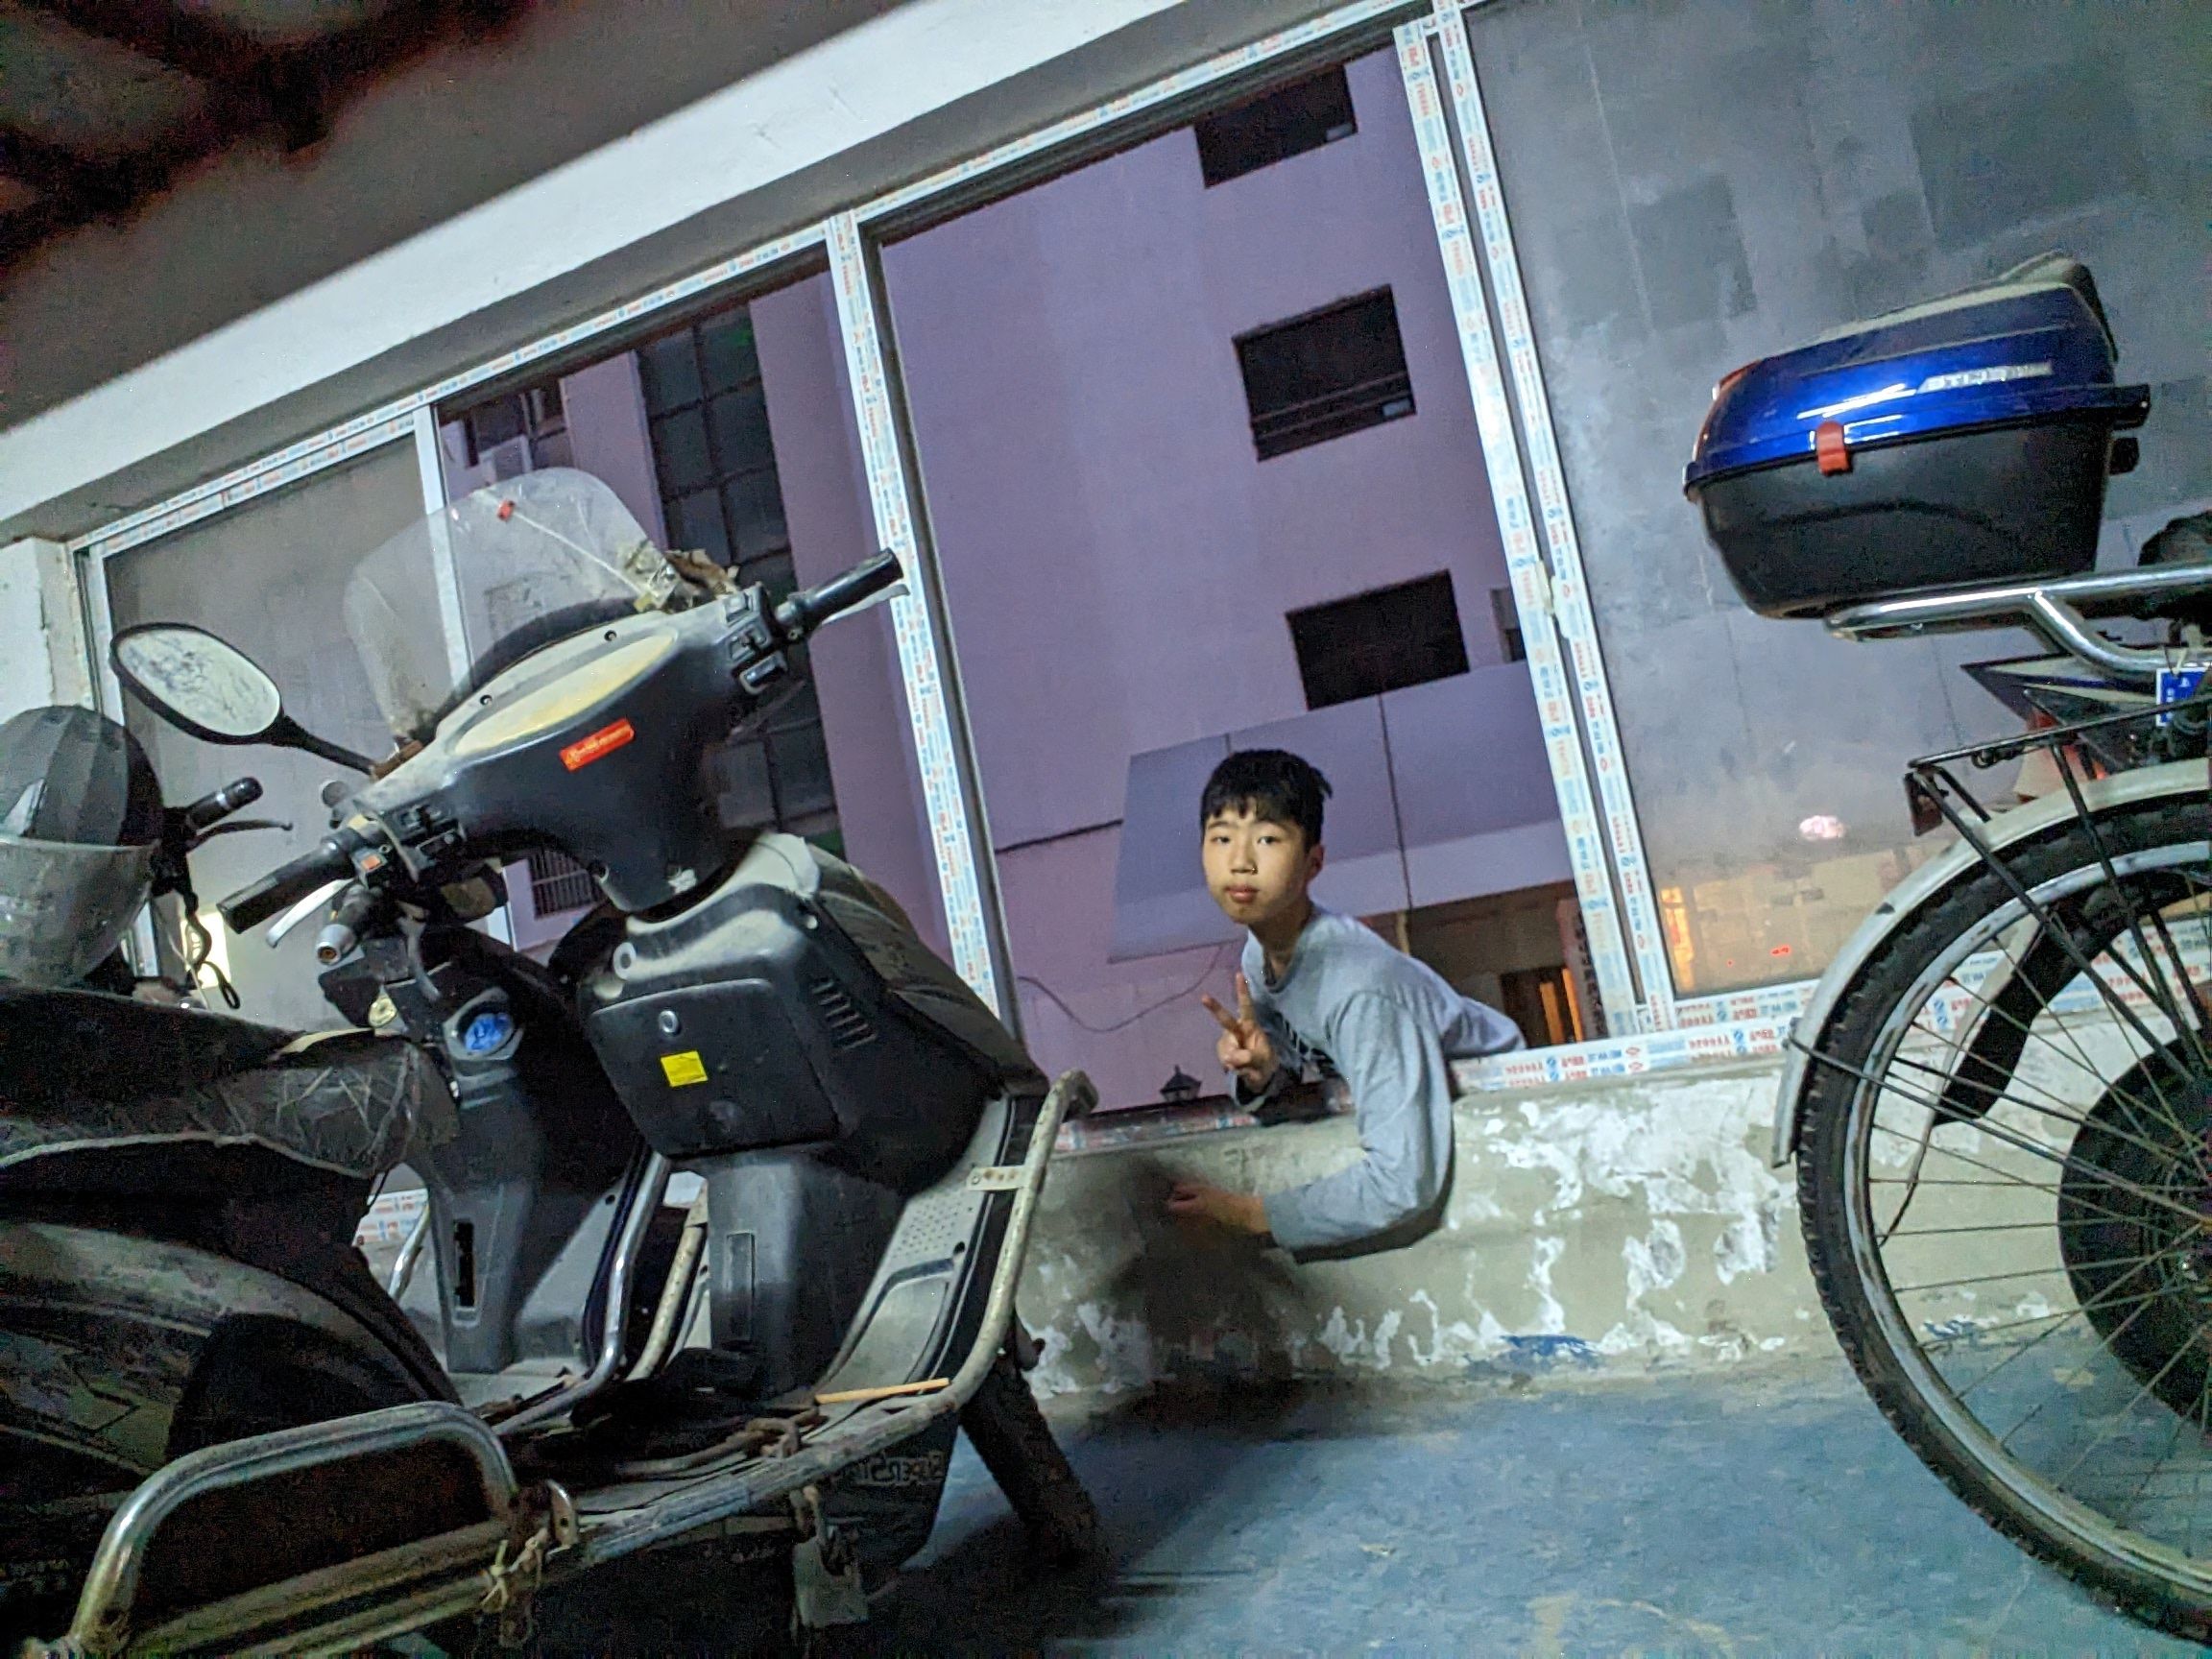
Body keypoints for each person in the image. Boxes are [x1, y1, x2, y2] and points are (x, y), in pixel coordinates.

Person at [1165, 748, 1525, 1255]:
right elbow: (1294, 1063)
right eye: (1221, 837)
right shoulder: (1259, 955)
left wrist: (1249, 1215)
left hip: (1508, 1121)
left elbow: (1402, 1181)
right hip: (1434, 1132)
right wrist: (1263, 1072)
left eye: (1267, 839)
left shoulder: (1360, 990)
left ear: (1313, 862)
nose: (1240, 862)